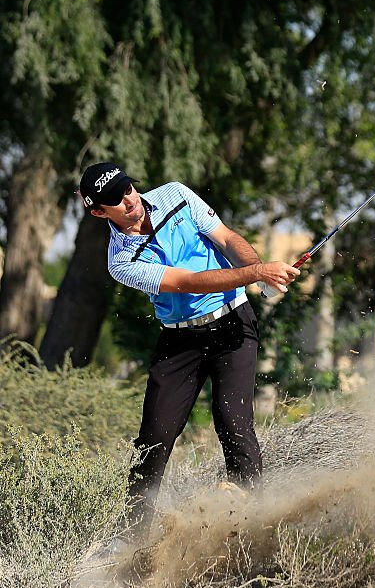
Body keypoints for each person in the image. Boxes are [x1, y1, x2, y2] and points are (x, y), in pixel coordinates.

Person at [79, 161, 300, 540]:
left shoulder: (176, 195)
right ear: (99, 211)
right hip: (180, 341)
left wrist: (259, 268)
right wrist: (258, 275)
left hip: (233, 322)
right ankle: (131, 538)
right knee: (155, 436)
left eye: (128, 187)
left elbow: (227, 239)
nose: (129, 199)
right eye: (116, 198)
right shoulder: (121, 261)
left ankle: (253, 526)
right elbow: (192, 283)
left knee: (232, 419)